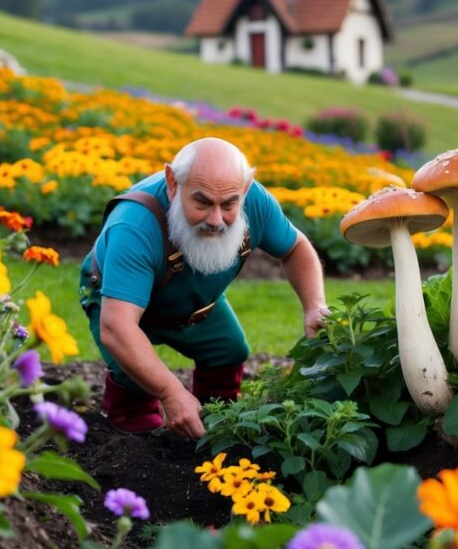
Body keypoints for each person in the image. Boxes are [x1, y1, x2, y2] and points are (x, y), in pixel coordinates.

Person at [79, 137, 329, 439]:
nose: (215, 220)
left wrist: (315, 304)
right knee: (133, 384)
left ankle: (214, 429)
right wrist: (171, 392)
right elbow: (117, 327)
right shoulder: (133, 226)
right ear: (173, 183)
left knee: (228, 351)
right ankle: (131, 442)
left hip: (194, 304)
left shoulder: (255, 202)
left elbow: (295, 248)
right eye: (202, 202)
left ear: (246, 187)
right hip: (119, 300)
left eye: (228, 204)